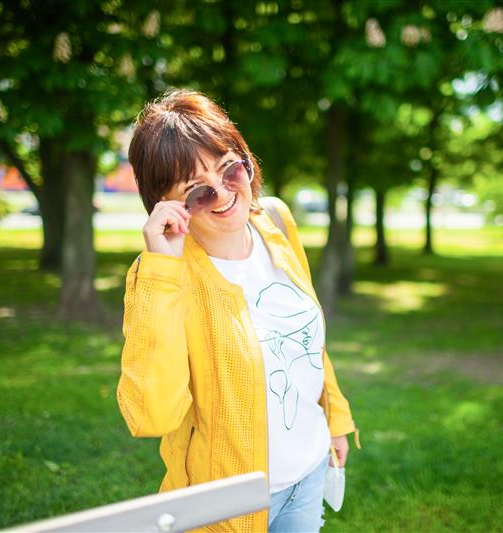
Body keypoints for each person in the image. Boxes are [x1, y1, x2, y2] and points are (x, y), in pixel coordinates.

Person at [116, 88, 361, 533]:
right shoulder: (162, 275)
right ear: (166, 204)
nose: (224, 194)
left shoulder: (275, 221)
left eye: (230, 168)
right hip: (227, 503)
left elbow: (306, 340)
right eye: (198, 192)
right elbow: (152, 414)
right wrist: (162, 272)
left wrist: (335, 420)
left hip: (308, 474)